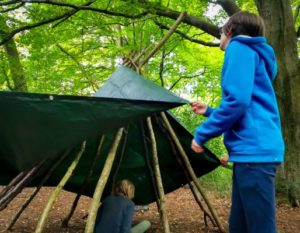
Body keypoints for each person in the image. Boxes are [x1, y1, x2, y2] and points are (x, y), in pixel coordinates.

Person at [191, 11, 285, 233]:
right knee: (240, 226)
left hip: (254, 152)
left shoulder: (238, 48)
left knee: (260, 228)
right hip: (252, 152)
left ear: (230, 31)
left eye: (220, 32)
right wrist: (210, 112)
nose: (219, 38)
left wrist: (204, 133)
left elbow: (238, 101)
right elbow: (247, 108)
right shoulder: (254, 54)